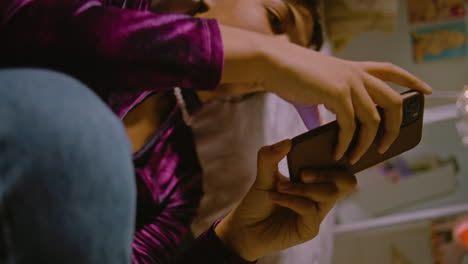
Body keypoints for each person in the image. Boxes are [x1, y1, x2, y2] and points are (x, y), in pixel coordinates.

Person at [0, 0, 432, 263]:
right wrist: (262, 56)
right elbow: (23, 29)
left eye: (298, 56)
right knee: (75, 128)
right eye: (276, 21)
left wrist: (236, 242)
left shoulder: (183, 180)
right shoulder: (120, 6)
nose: (285, 56)